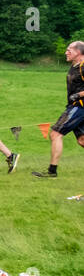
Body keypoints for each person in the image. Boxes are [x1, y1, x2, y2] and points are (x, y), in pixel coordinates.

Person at [34, 40, 84, 178]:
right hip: (75, 106)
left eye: (69, 50)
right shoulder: (74, 66)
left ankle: (52, 171)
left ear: (78, 52)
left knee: (56, 134)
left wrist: (78, 95)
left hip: (79, 106)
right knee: (82, 140)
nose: (66, 52)